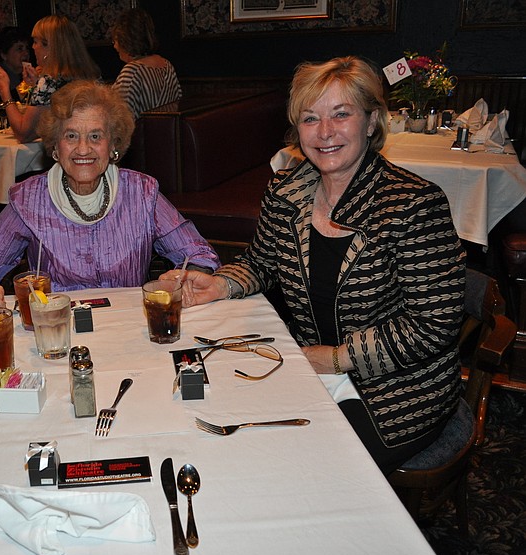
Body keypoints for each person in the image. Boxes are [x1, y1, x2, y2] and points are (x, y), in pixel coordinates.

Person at [161, 56, 465, 474]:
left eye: (341, 114)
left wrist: (336, 359)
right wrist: (220, 284)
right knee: (225, 436)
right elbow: (262, 262)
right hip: (306, 365)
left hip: (397, 387)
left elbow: (433, 326)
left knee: (306, 468)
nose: (324, 132)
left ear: (371, 121)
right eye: (310, 118)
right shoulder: (287, 192)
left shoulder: (412, 205)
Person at [0, 80, 219, 292]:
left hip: (126, 328)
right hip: (57, 329)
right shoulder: (29, 199)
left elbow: (200, 254)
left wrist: (185, 278)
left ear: (113, 145)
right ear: (55, 146)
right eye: (71, 136)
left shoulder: (141, 192)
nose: (83, 149)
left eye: (95, 136)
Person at [0, 15, 100, 143]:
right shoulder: (92, 76)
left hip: (67, 149)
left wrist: (4, 92)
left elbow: (23, 133)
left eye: (35, 42)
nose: (33, 47)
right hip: (94, 143)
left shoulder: (49, 82)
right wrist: (35, 86)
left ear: (49, 46)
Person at [110, 8, 182, 118]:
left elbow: (120, 119)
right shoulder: (167, 65)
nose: (115, 46)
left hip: (145, 129)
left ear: (125, 40)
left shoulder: (131, 71)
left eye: (115, 40)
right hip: (165, 128)